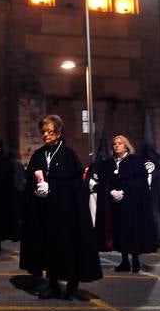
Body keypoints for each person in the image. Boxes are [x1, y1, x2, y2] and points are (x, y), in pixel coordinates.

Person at [19, 114, 102, 299]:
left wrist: (53, 186)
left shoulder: (68, 154)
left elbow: (75, 184)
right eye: (43, 132)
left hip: (66, 213)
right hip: (45, 212)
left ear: (58, 133)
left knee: (68, 247)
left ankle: (72, 283)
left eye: (50, 132)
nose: (46, 135)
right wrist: (36, 188)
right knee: (49, 248)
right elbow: (29, 179)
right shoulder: (39, 154)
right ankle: (53, 284)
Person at [95, 134, 157, 272]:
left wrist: (125, 192)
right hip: (115, 204)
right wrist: (111, 191)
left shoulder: (135, 161)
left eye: (119, 143)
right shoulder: (109, 163)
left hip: (132, 204)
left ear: (126, 146)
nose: (116, 146)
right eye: (114, 144)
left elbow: (140, 183)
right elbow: (104, 182)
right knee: (119, 231)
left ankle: (135, 261)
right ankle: (124, 261)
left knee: (132, 231)